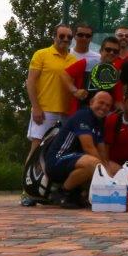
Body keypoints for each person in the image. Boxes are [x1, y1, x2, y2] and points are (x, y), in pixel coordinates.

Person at [45, 91, 112, 208]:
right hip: (57, 160)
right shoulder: (84, 115)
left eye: (108, 105)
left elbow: (102, 152)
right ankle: (62, 192)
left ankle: (81, 194)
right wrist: (106, 174)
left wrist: (109, 170)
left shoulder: (99, 122)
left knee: (115, 168)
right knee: (95, 164)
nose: (104, 107)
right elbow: (88, 147)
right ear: (91, 102)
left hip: (75, 160)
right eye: (101, 103)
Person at [26, 24, 78, 160]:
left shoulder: (74, 60)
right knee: (37, 149)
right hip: (45, 111)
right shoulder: (41, 54)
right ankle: (27, 180)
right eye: (62, 36)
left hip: (66, 113)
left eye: (69, 37)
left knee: (59, 152)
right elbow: (30, 82)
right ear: (54, 37)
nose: (65, 39)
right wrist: (36, 107)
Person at [62, 36, 124, 115]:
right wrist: (75, 91)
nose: (111, 53)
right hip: (81, 112)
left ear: (118, 54)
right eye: (108, 49)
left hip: (102, 115)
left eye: (115, 51)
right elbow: (65, 74)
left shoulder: (116, 71)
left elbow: (118, 100)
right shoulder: (87, 63)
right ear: (101, 51)